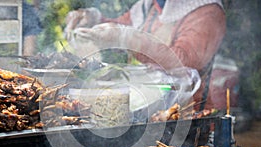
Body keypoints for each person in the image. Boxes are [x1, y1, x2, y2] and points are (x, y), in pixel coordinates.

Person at [64, 0, 226, 111]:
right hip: (152, 110)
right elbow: (123, 26)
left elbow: (183, 60)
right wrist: (93, 20)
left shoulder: (207, 11)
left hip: (189, 116)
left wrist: (126, 38)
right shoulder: (150, 5)